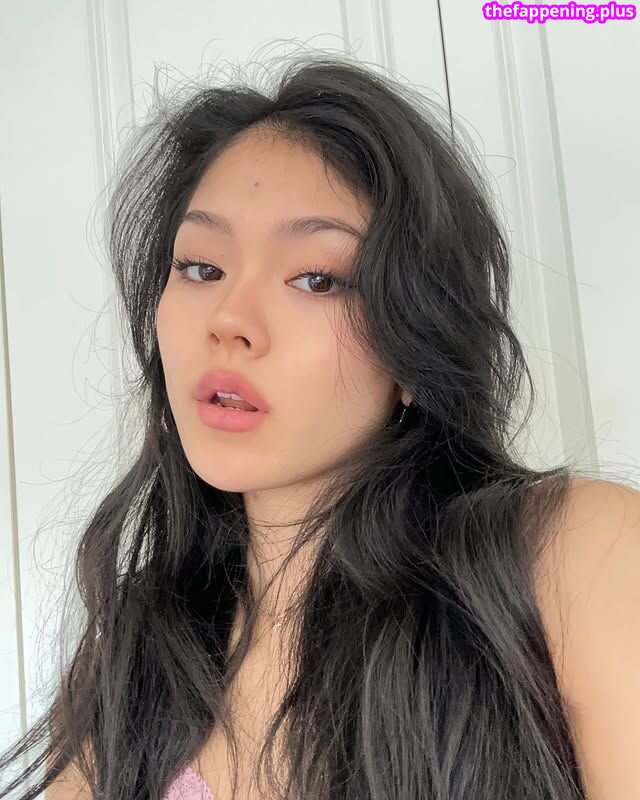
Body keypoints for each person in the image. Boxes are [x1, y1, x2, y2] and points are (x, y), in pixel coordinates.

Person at [2, 52, 639, 800]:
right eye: (201, 267)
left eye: (316, 279)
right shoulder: (135, 653)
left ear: (416, 344)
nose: (229, 320)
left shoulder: (573, 558)